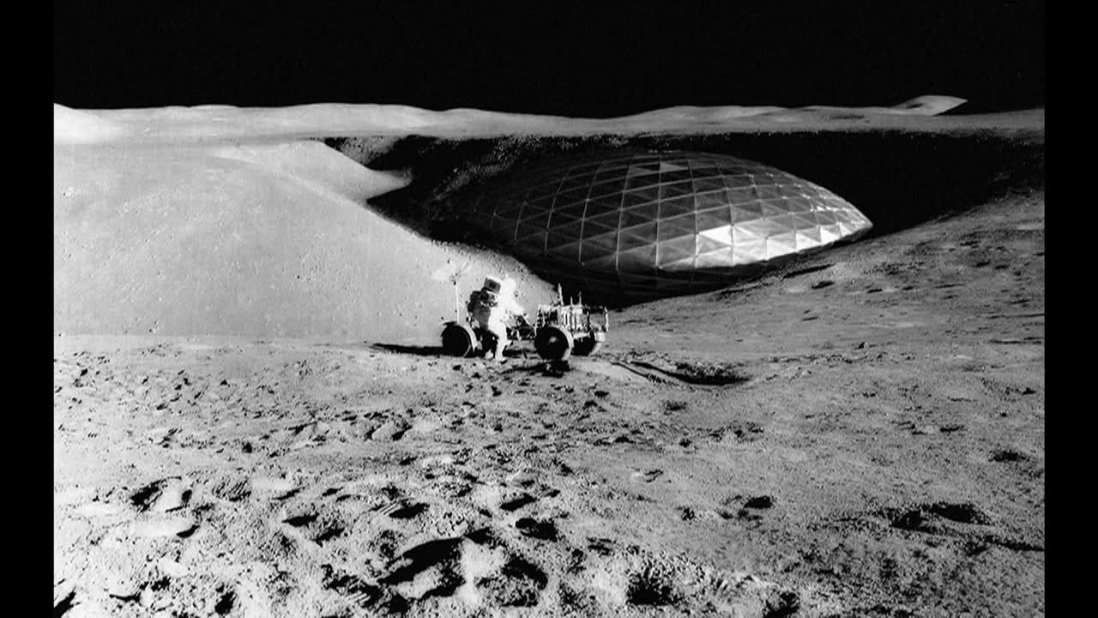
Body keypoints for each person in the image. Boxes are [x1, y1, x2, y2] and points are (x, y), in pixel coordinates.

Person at [467, 276, 527, 361]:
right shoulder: (504, 297)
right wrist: (522, 312)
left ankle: (487, 353)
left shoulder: (487, 292)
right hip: (490, 322)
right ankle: (498, 356)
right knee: (502, 336)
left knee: (487, 334)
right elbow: (515, 309)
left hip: (480, 319)